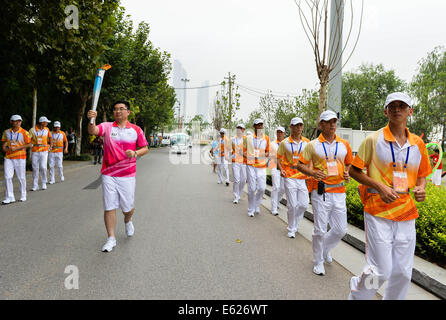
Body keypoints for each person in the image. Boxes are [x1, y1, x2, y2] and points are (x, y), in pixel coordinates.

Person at [348, 92, 432, 300]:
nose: (397, 109)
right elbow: (353, 171)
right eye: (392, 106)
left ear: (410, 111)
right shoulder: (373, 140)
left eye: (402, 106)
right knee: (380, 271)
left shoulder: (418, 144)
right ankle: (358, 294)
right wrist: (379, 186)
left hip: (406, 213)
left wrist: (421, 188)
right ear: (385, 111)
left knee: (403, 272)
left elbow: (422, 176)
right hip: (378, 210)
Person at [87, 100, 149, 253]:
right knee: (109, 205)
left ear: (128, 112)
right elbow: (93, 131)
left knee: (128, 207)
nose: (118, 111)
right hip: (108, 173)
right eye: (115, 109)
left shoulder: (136, 130)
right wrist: (91, 119)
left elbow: (145, 148)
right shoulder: (107, 127)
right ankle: (111, 238)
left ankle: (128, 219)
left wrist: (135, 153)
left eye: (121, 109)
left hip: (127, 175)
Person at [296, 110, 353, 276]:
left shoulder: (344, 144)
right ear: (321, 125)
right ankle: (318, 261)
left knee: (341, 229)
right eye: (328, 122)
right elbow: (300, 165)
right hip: (321, 192)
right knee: (320, 229)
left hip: (339, 191)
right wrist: (313, 173)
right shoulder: (312, 145)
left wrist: (347, 172)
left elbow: (349, 163)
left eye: (334, 121)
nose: (332, 124)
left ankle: (325, 249)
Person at [277, 117, 310, 238]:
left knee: (304, 205)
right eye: (296, 125)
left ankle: (294, 221)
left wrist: (310, 172)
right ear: (291, 127)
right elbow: (279, 158)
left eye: (301, 125)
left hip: (302, 177)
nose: (299, 128)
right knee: (292, 205)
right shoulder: (284, 143)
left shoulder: (307, 142)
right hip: (289, 176)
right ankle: (291, 228)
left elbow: (310, 159)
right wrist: (281, 170)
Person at [1, 115, 32, 204]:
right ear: (11, 122)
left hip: (20, 158)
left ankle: (23, 195)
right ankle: (10, 197)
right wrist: (4, 147)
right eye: (16, 121)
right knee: (7, 177)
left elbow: (29, 144)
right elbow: (5, 142)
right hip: (8, 157)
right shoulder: (6, 132)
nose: (18, 122)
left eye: (19, 121)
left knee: (21, 177)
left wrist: (18, 148)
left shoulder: (24, 133)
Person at [244, 119, 270, 217]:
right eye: (257, 125)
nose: (259, 127)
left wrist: (263, 155)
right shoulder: (248, 138)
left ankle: (256, 204)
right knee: (251, 188)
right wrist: (249, 156)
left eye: (261, 125)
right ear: (254, 126)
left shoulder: (266, 138)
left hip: (262, 166)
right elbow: (243, 151)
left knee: (262, 188)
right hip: (251, 165)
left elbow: (268, 151)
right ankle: (251, 208)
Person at [29, 116, 52, 191]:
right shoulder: (32, 130)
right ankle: (35, 185)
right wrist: (30, 144)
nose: (47, 123)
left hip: (44, 151)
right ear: (42, 122)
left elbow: (50, 137)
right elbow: (28, 139)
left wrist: (50, 146)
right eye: (46, 122)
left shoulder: (47, 129)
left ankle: (43, 182)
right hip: (35, 151)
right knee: (35, 168)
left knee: (43, 167)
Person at [269, 126, 286, 215]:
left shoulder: (287, 144)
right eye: (278, 132)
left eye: (281, 132)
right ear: (276, 133)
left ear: (284, 134)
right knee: (276, 187)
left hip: (284, 169)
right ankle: (274, 208)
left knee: (283, 189)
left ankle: (277, 201)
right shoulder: (272, 144)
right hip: (275, 167)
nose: (279, 134)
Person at [231, 124, 247, 204]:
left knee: (243, 180)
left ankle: (239, 194)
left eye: (241, 128)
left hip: (243, 162)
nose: (239, 130)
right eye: (238, 128)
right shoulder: (233, 139)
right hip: (235, 161)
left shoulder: (247, 139)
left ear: (244, 130)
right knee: (236, 180)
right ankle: (236, 196)